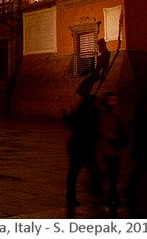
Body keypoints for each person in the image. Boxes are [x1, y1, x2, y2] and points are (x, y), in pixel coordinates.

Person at [65, 76, 101, 207]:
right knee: (76, 171)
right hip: (78, 146)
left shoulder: (89, 112)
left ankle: (97, 191)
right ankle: (72, 195)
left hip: (84, 146)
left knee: (89, 170)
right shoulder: (84, 113)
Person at [97, 92, 126, 207]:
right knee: (112, 173)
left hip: (116, 148)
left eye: (114, 99)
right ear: (106, 101)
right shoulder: (104, 114)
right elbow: (102, 130)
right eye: (110, 100)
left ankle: (113, 195)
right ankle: (111, 195)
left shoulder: (115, 112)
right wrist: (115, 136)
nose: (113, 102)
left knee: (115, 173)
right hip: (108, 148)